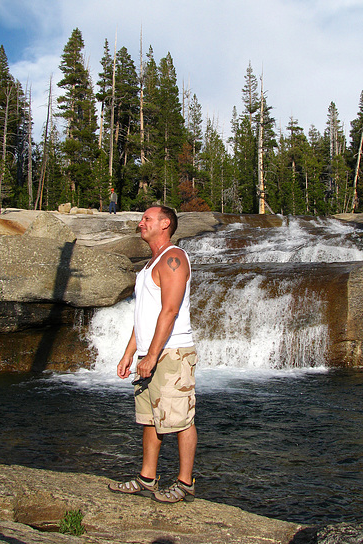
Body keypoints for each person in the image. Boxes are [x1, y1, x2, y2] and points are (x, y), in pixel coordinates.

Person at [108, 205, 197, 503]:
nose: (140, 223)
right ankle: (147, 478)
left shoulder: (174, 257)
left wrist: (153, 355)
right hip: (151, 351)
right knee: (150, 419)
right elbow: (143, 315)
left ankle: (185, 483)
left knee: (182, 419)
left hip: (172, 353)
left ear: (165, 223)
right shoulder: (150, 264)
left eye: (147, 218)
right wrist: (129, 354)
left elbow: (170, 311)